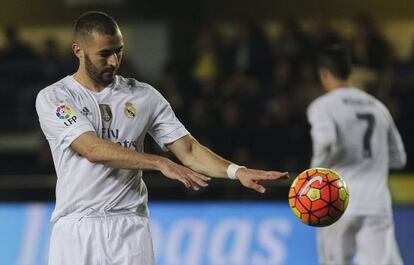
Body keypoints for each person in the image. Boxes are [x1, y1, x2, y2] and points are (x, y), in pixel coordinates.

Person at [35, 11, 289, 265]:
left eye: (119, 51)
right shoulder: (56, 97)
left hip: (130, 227)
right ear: (78, 50)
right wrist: (159, 162)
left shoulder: (144, 96)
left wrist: (236, 171)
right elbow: (91, 148)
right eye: (104, 54)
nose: (114, 61)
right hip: (76, 227)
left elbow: (188, 150)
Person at [307, 45, 406, 265]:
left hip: (336, 201)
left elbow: (325, 142)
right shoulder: (378, 107)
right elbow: (399, 158)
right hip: (375, 202)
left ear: (324, 73)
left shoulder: (322, 106)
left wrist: (312, 177)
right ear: (350, 72)